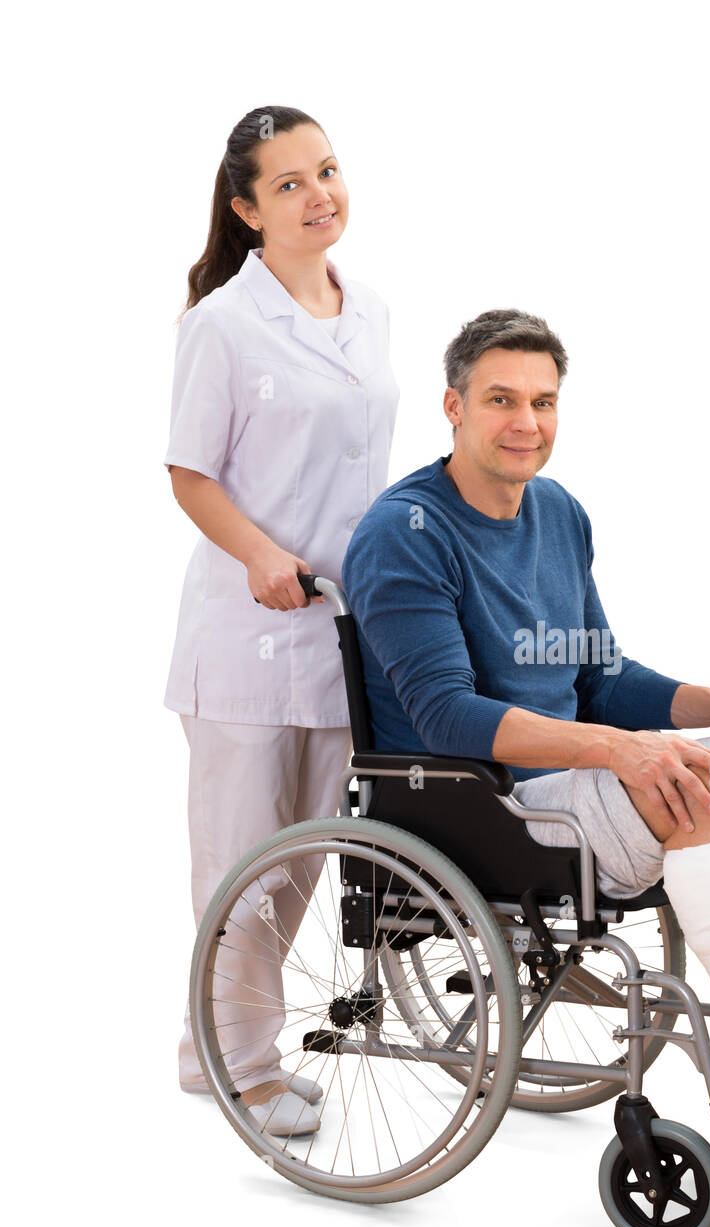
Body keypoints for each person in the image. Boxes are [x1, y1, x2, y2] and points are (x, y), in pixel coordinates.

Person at [342, 309, 710, 1167]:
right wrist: (620, 749)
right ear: (453, 406)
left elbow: (601, 680)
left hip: (582, 779)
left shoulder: (558, 513)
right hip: (484, 799)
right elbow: (444, 714)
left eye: (544, 402)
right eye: (501, 400)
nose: (527, 423)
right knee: (689, 782)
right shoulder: (404, 535)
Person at [163, 106, 398, 1136]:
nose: (319, 195)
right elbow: (189, 470)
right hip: (249, 640)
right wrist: (260, 553)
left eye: (328, 171)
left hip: (341, 635)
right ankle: (240, 1067)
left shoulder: (368, 308)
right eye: (291, 183)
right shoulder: (222, 322)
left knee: (302, 862)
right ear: (246, 208)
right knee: (241, 868)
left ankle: (209, 1045)